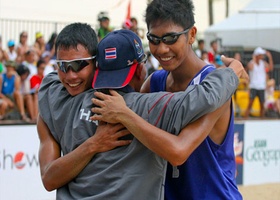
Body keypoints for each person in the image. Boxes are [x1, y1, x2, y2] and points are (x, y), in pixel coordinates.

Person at [37, 23, 245, 199]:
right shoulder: (147, 107)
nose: (71, 75)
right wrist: (233, 71)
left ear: (97, 65)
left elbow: (48, 179)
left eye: (79, 65)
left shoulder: (52, 97)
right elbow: (201, 99)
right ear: (140, 69)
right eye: (63, 67)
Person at [97, 1, 242, 199]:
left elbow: (178, 152)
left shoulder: (214, 85)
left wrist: (124, 114)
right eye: (154, 39)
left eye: (171, 38)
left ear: (191, 35)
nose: (162, 49)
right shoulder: (155, 81)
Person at [244, 47, 274, 118]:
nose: (262, 56)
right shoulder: (251, 63)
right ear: (257, 55)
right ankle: (245, 118)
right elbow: (251, 68)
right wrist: (254, 59)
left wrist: (270, 58)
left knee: (262, 105)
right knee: (250, 104)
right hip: (253, 86)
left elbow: (270, 68)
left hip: (261, 87)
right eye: (261, 54)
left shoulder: (263, 63)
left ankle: (261, 119)